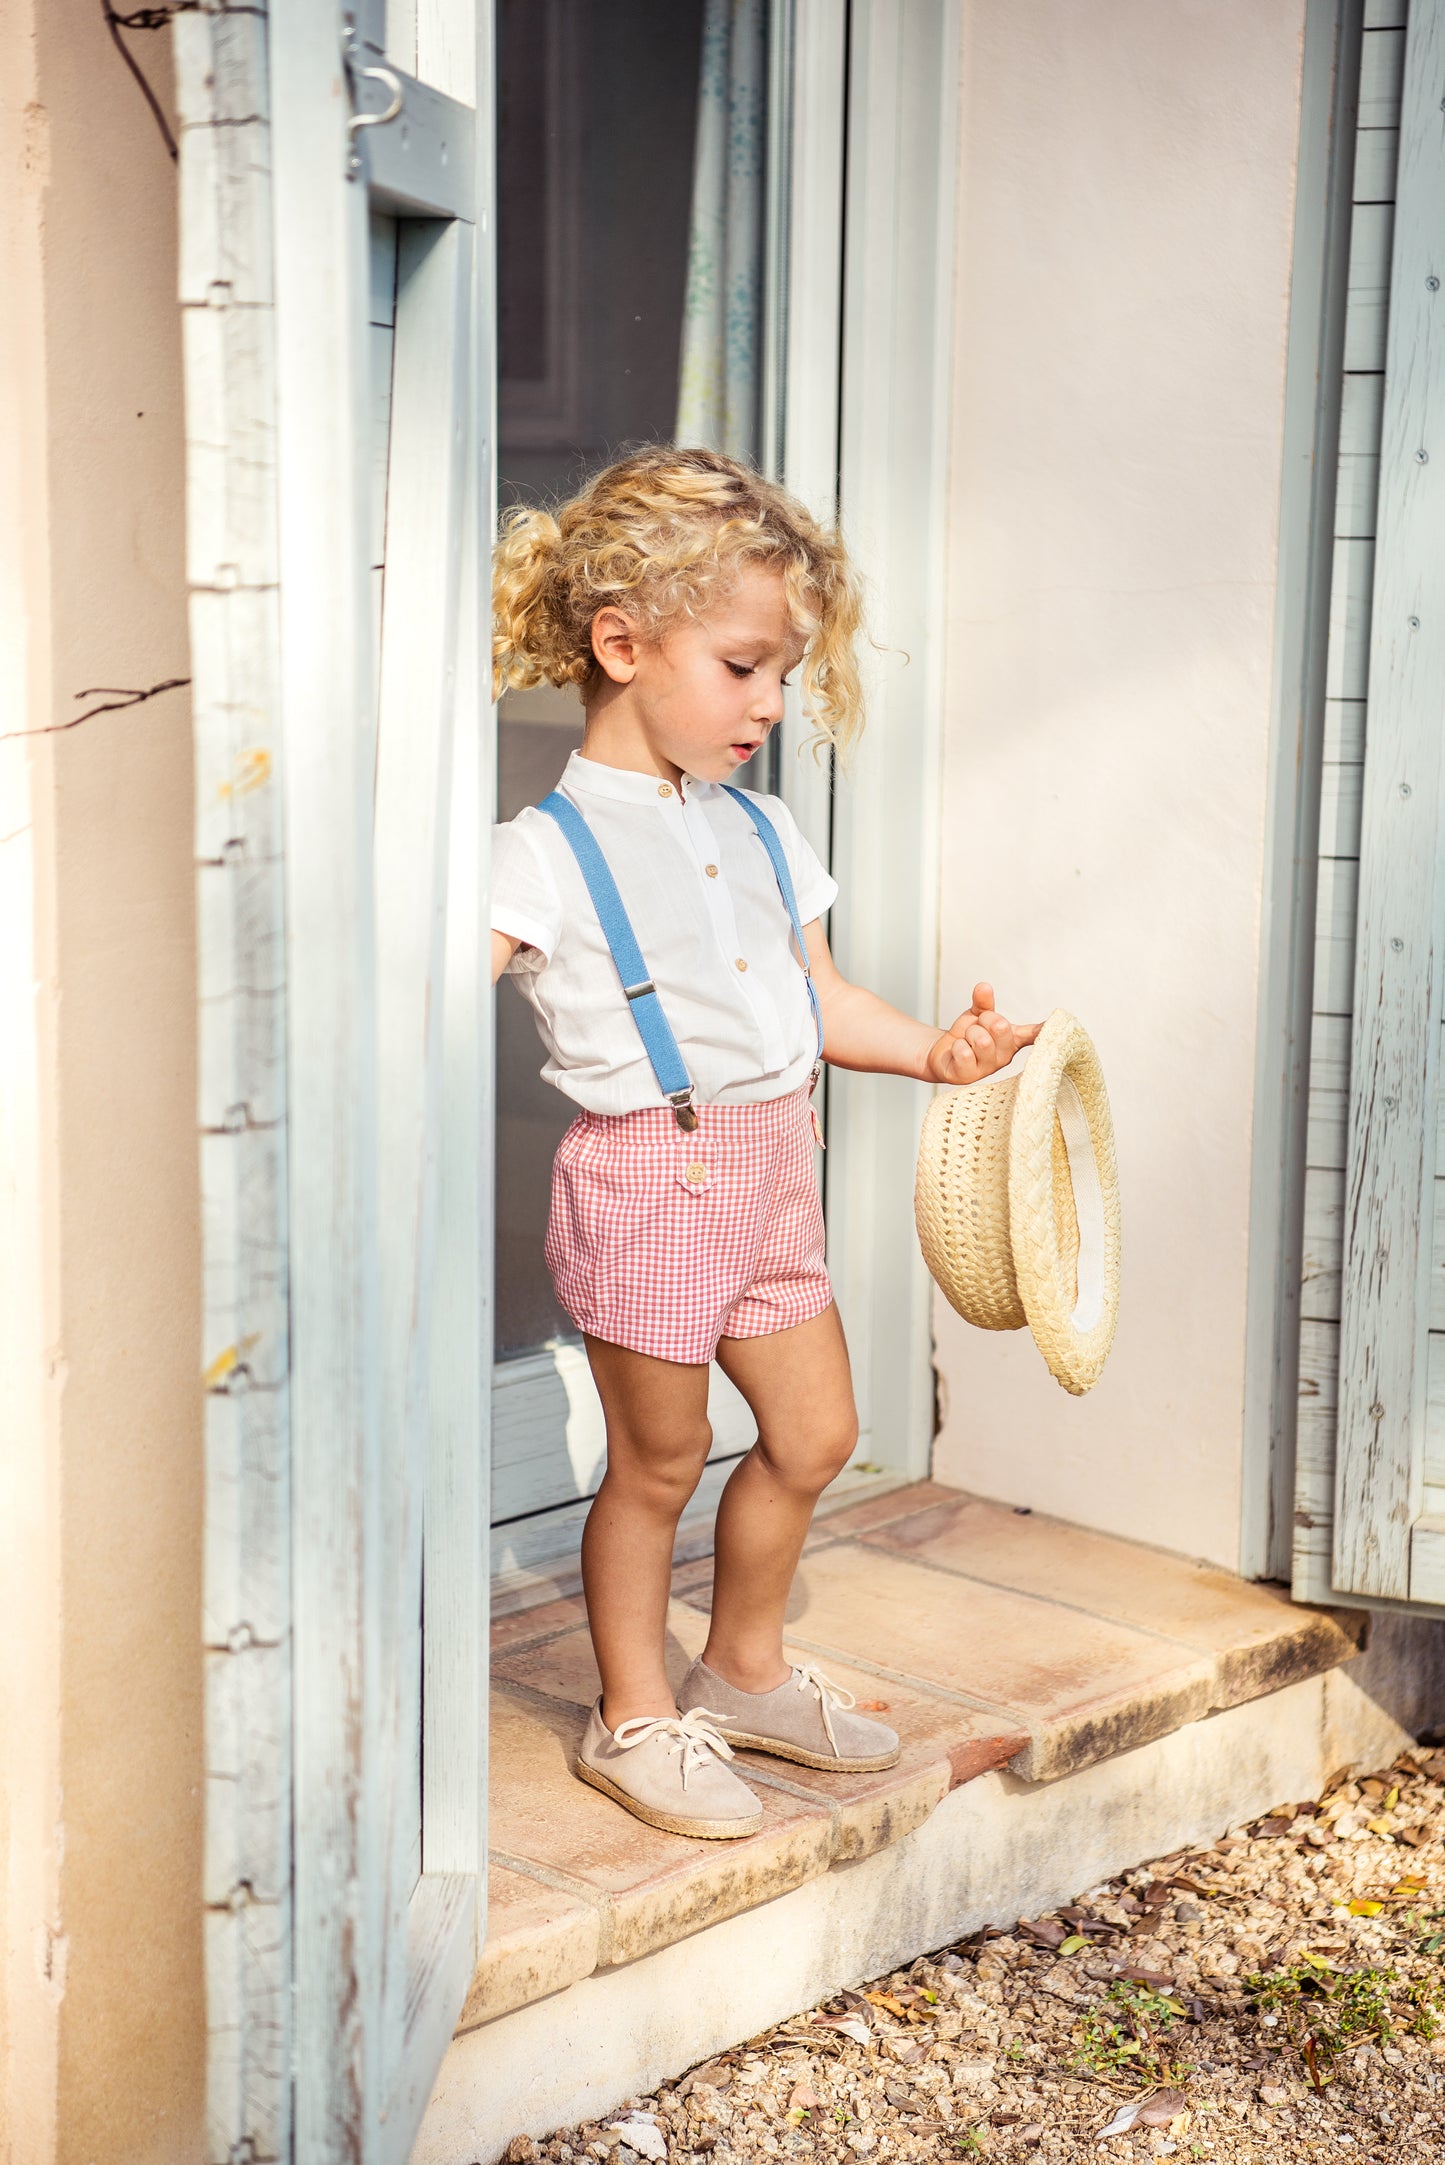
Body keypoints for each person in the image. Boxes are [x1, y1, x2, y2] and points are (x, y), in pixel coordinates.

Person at [490, 446, 1037, 1839]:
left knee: (815, 1431)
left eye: (783, 674)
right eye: (743, 667)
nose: (771, 704)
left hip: (768, 1168)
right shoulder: (540, 853)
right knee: (659, 1462)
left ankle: (739, 1671)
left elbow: (824, 995)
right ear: (621, 643)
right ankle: (632, 1713)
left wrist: (932, 1052)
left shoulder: (763, 826)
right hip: (648, 1176)